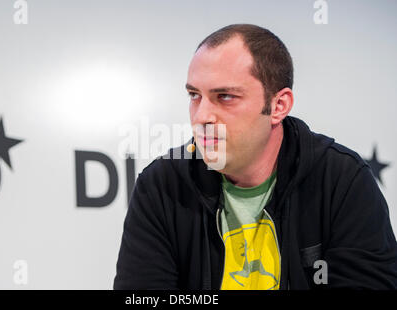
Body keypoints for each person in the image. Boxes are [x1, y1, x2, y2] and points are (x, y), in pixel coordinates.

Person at [114, 24, 397, 289]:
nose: (201, 117)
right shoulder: (162, 185)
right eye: (194, 95)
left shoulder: (341, 179)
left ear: (278, 106)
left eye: (224, 96)